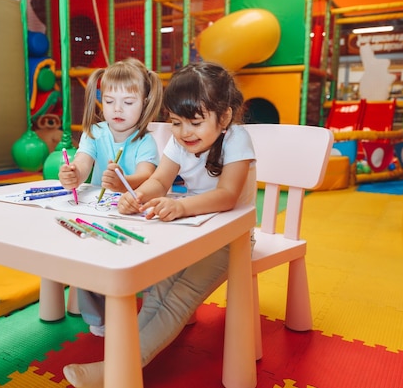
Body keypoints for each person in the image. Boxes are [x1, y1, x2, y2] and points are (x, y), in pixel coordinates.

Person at [62, 61, 257, 388]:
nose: (184, 133)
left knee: (178, 297)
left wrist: (180, 207)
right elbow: (159, 180)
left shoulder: (237, 138)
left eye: (195, 122)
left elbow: (227, 196)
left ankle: (115, 372)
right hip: (194, 233)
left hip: (232, 238)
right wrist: (136, 196)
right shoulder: (178, 141)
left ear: (223, 118)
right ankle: (118, 362)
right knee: (159, 291)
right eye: (176, 123)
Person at [58, 58, 163, 337]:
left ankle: (153, 312)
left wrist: (123, 182)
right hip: (98, 215)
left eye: (128, 102)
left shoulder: (144, 140)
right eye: (109, 100)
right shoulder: (95, 132)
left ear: (145, 102)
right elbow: (82, 164)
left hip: (135, 216)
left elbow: (147, 175)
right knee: (86, 255)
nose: (117, 109)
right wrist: (72, 175)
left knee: (154, 257)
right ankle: (97, 316)